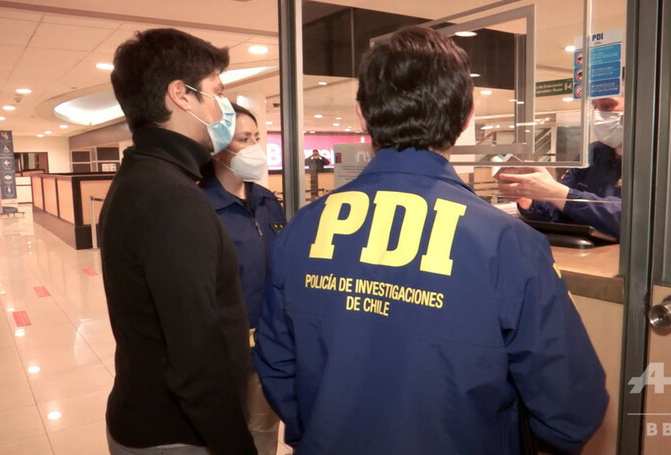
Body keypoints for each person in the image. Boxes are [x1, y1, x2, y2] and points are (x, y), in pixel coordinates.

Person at [254, 26, 608, 454]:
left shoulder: (301, 230)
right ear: (466, 117)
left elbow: (277, 365)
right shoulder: (507, 244)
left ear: (361, 116)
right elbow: (571, 406)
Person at [99, 28, 256, 454]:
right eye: (216, 92)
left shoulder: (143, 176)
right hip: (177, 435)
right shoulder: (171, 198)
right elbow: (196, 356)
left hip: (148, 419)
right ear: (181, 95)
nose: (223, 107)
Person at [200, 103, 285, 455]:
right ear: (217, 148)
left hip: (268, 349)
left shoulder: (267, 202)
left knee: (263, 435)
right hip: (225, 356)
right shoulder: (200, 207)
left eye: (256, 138)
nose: (254, 147)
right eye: (243, 139)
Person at [496, 96, 624, 238]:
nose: (598, 115)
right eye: (594, 107)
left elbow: (629, 218)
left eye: (607, 105)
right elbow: (559, 210)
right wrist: (528, 199)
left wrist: (557, 192)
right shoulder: (592, 154)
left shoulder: (644, 160)